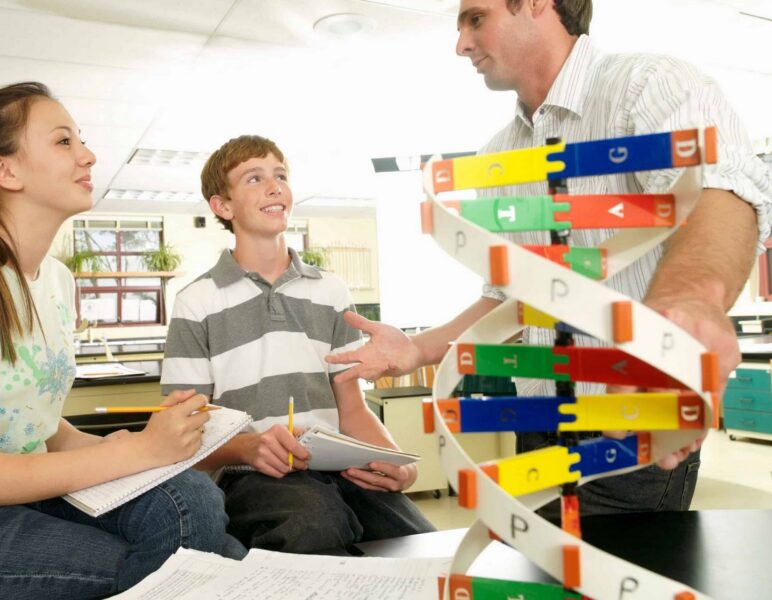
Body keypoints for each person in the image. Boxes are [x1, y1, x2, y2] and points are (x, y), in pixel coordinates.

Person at [327, 0, 772, 520]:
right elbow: (507, 305)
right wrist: (416, 350)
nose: (461, 44)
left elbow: (722, 188)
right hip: (537, 428)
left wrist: (689, 298)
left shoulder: (646, 84)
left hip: (625, 426)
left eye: (475, 18)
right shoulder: (501, 152)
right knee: (541, 576)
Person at [0, 82, 240, 600]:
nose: (88, 155)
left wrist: (140, 444)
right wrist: (139, 454)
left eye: (80, 141)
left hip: (14, 501)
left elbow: (39, 426)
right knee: (182, 559)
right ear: (4, 171)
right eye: (64, 141)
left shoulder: (57, 279)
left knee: (193, 499)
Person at [161, 134, 435, 554]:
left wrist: (399, 463)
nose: (275, 187)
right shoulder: (197, 301)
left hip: (335, 466)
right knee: (315, 525)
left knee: (417, 544)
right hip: (248, 474)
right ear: (223, 206)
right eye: (254, 178)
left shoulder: (331, 291)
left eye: (281, 175)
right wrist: (249, 449)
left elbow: (352, 407)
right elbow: (182, 431)